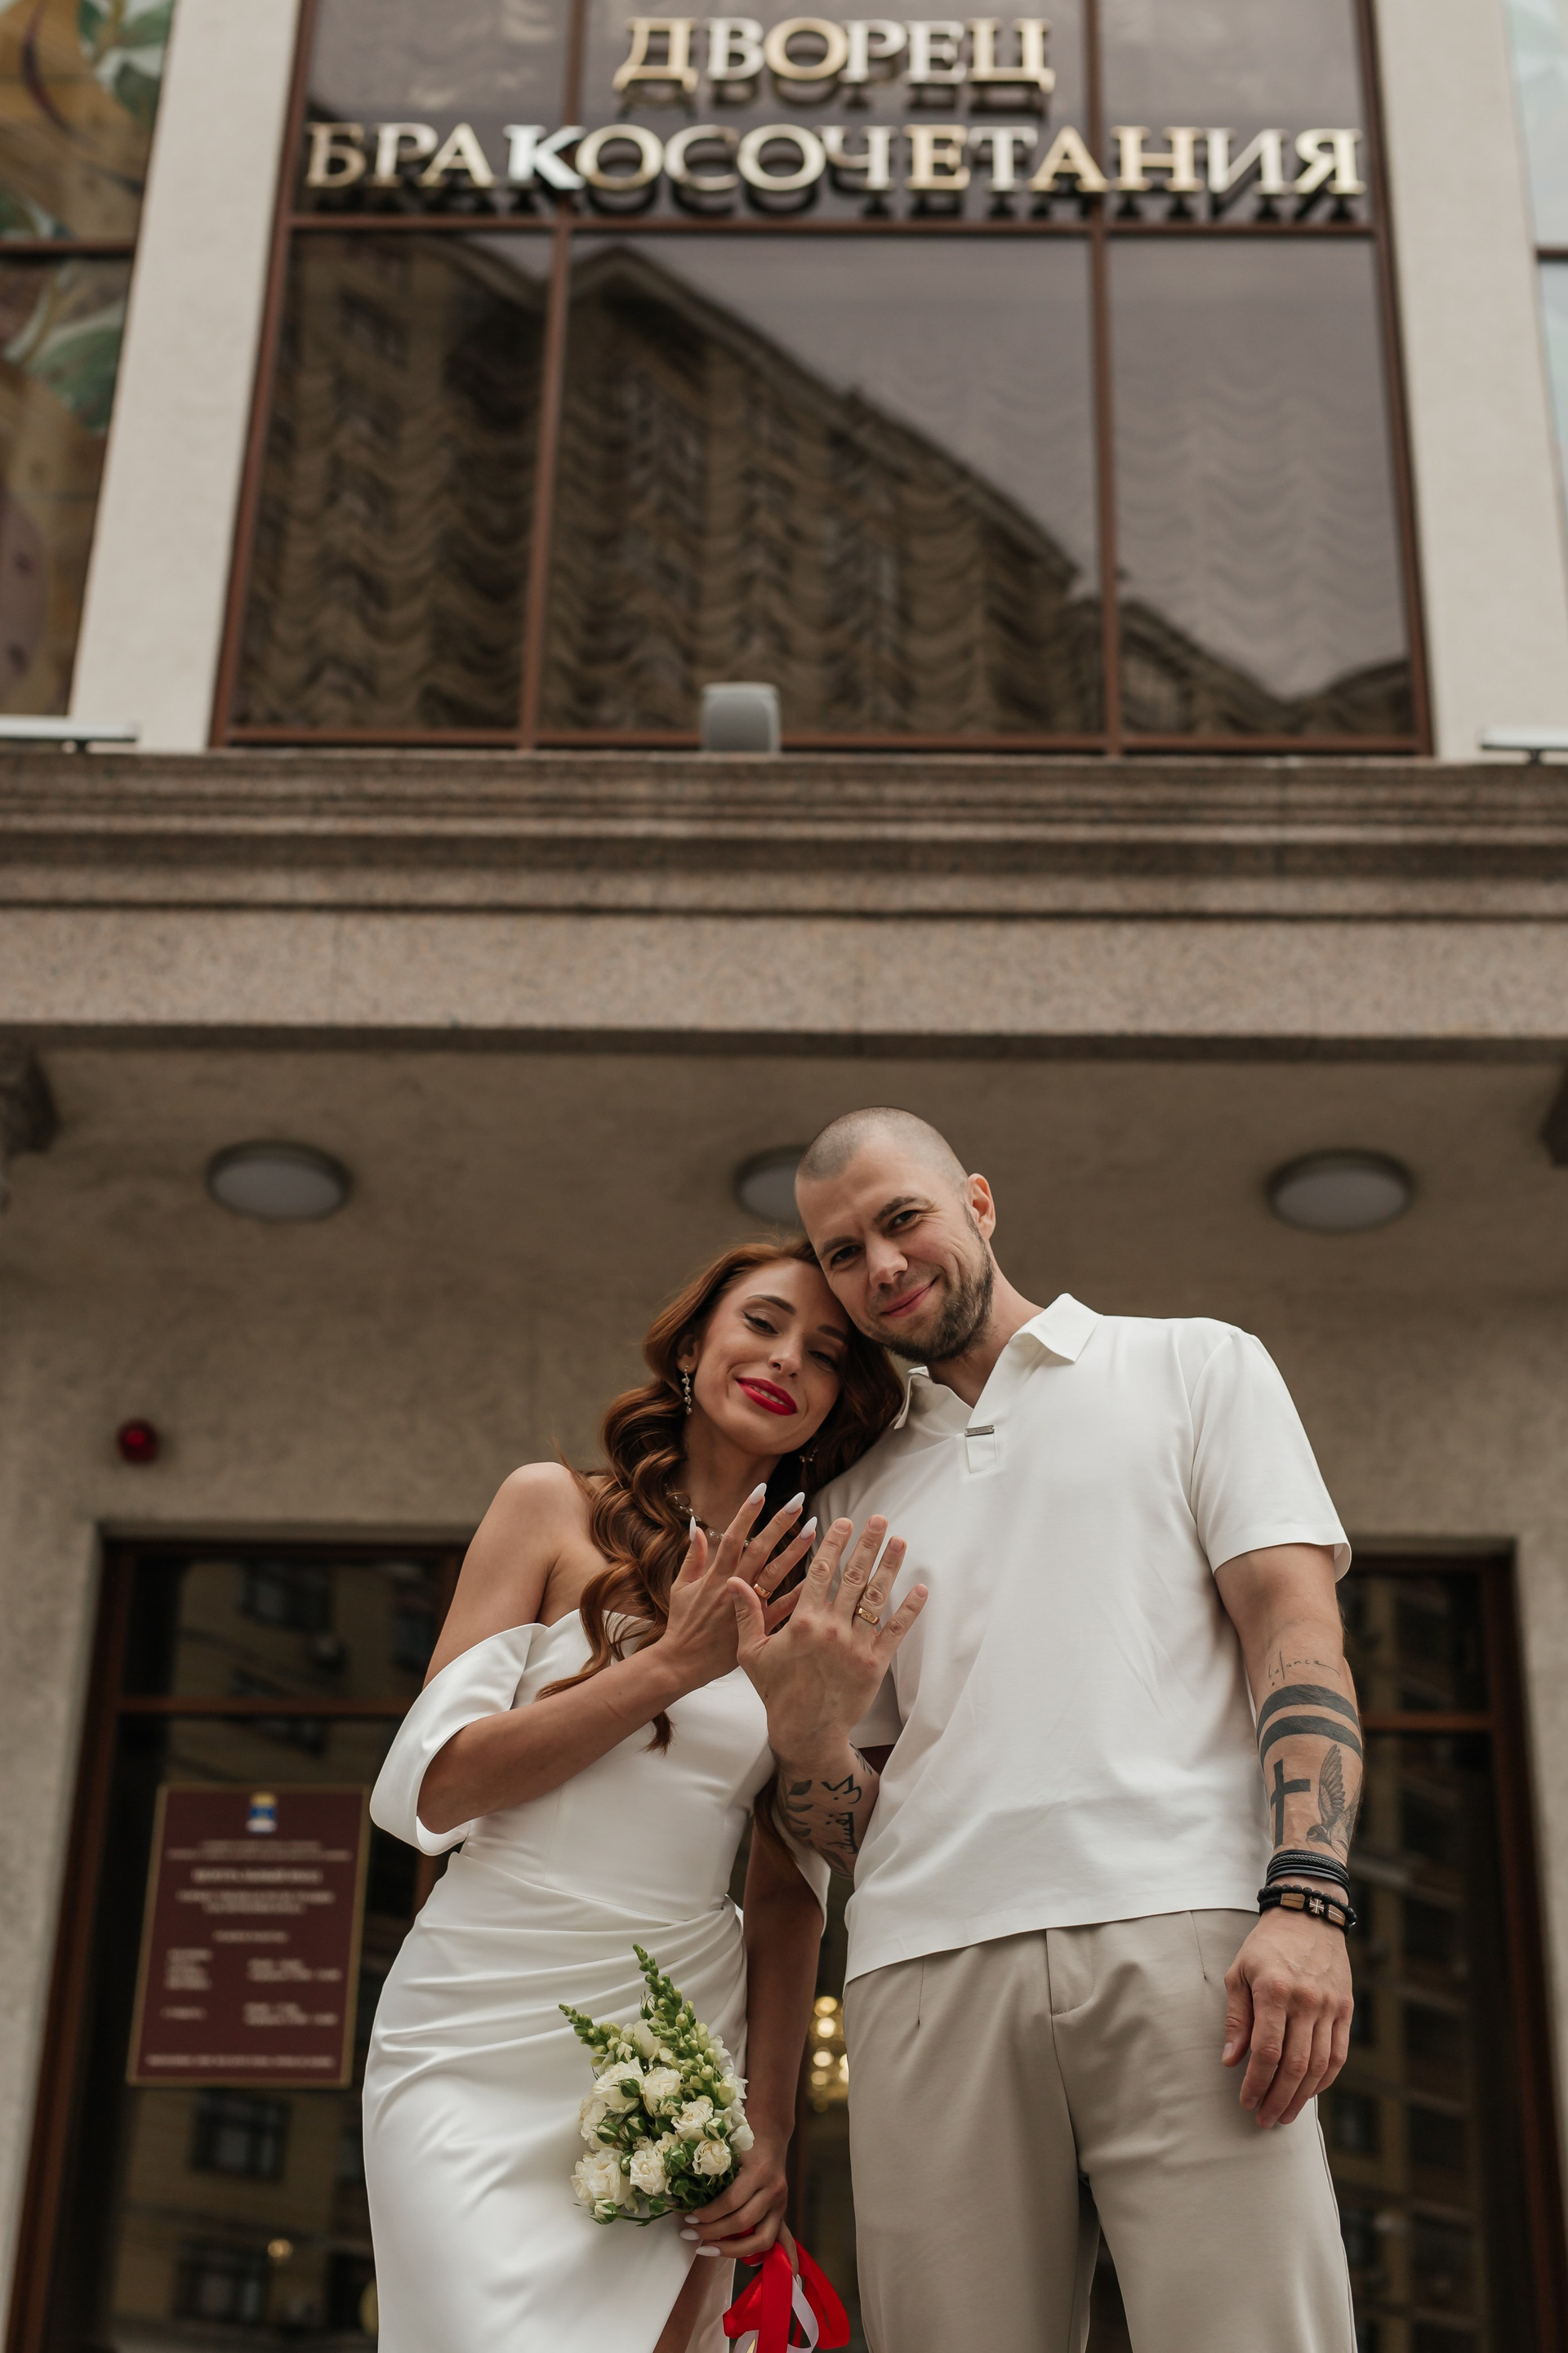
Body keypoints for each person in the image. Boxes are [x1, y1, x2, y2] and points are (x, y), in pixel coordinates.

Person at [734, 1107, 1362, 2353]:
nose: (882, 1266)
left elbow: (1294, 1631)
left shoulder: (1195, 1366)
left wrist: (1309, 1896)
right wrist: (805, 1744)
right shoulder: (846, 1497)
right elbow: (852, 1818)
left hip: (1187, 1938)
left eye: (902, 1219)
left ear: (978, 1201)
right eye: (845, 1252)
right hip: (923, 1969)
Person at [362, 1237, 902, 2353]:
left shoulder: (816, 1603)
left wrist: (769, 2125)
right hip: (477, 2018)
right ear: (694, 1342)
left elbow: (788, 1893)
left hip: (676, 2034)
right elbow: (439, 1786)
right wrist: (668, 1667)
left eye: (825, 1352)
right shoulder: (551, 1509)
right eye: (763, 1323)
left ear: (839, 1400)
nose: (787, 1359)